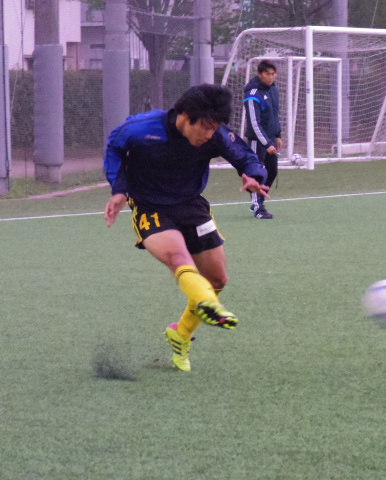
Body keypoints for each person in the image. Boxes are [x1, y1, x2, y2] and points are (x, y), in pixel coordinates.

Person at [103, 84, 270, 371]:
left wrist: (252, 174)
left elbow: (245, 156)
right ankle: (207, 303)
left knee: (217, 280)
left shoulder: (214, 135)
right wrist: (119, 189)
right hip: (150, 206)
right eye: (205, 127)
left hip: (192, 205)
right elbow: (114, 147)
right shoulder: (142, 128)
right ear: (185, 116)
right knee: (179, 259)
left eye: (214, 128)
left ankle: (181, 334)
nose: (209, 135)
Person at [243, 60, 283, 219]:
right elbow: (254, 123)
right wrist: (266, 143)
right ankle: (258, 208)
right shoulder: (252, 94)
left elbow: (275, 115)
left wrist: (277, 135)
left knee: (272, 171)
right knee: (257, 173)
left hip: (271, 139)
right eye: (267, 74)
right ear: (260, 74)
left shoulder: (273, 90)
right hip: (257, 141)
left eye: (273, 74)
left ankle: (258, 201)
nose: (271, 77)